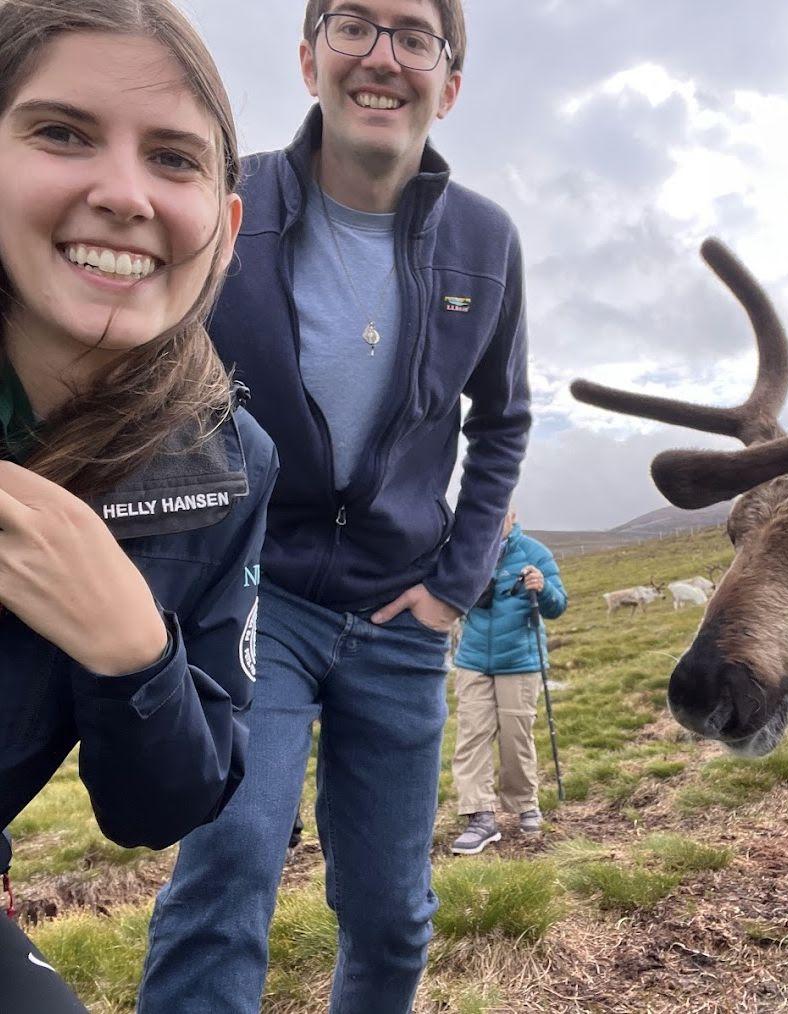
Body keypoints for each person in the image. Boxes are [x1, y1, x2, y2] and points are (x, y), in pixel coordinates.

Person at [137, 1, 531, 1012]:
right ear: (309, 60)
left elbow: (503, 423)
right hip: (255, 598)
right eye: (352, 25)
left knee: (392, 914)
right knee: (228, 871)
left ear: (448, 85)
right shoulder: (228, 202)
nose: (381, 57)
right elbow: (147, 368)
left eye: (414, 36)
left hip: (400, 617)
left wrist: (453, 586)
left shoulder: (486, 242)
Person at [0, 0, 277, 1009]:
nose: (124, 194)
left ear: (226, 230)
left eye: (173, 158)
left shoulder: (226, 466)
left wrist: (131, 650)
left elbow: (160, 808)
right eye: (61, 132)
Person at [450, 509, 567, 855]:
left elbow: (558, 606)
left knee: (516, 735)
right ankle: (480, 815)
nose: (492, 519)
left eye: (501, 512)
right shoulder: (468, 551)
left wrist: (543, 589)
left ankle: (524, 803)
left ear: (512, 515)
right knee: (472, 734)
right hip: (472, 660)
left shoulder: (535, 553)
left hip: (520, 660)